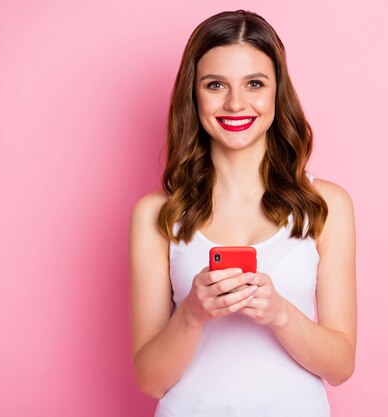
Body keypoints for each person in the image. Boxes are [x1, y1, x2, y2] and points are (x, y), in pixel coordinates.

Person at [129, 10, 357, 417]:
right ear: (194, 94)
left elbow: (340, 367)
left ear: (276, 92)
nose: (236, 103)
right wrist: (192, 315)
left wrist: (280, 313)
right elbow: (150, 380)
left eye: (254, 83)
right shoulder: (157, 216)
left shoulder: (326, 206)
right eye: (215, 85)